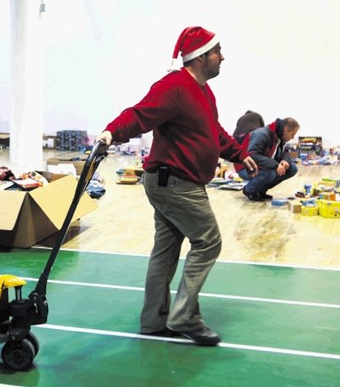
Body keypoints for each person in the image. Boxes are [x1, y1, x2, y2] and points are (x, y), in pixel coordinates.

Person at [96, 26, 258, 346]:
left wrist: (239, 155)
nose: (222, 56)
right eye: (217, 51)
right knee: (208, 241)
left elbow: (213, 130)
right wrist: (110, 133)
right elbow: (140, 114)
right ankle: (184, 316)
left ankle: (154, 319)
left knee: (166, 252)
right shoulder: (174, 87)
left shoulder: (202, 91)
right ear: (199, 57)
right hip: (175, 182)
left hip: (173, 180)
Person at [234, 118, 299, 201]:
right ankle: (249, 190)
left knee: (292, 168)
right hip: (245, 167)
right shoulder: (262, 134)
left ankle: (260, 190)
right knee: (271, 173)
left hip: (261, 166)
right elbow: (252, 155)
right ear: (286, 130)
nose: (293, 137)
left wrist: (285, 160)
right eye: (292, 134)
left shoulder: (280, 137)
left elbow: (285, 151)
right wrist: (275, 165)